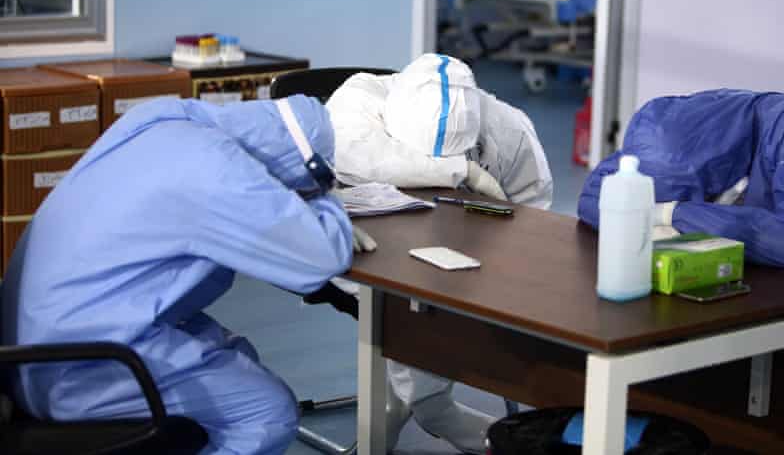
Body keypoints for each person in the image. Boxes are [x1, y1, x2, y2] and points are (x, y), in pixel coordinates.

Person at [0, 96, 355, 455]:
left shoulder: (162, 120)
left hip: (34, 339)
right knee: (267, 412)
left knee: (238, 356)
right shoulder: (217, 169)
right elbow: (319, 259)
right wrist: (329, 199)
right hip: (76, 368)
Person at [578, 89, 784, 390]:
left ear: (717, 169)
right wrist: (649, 207)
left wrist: (672, 213)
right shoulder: (664, 127)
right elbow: (593, 197)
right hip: (773, 294)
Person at [326, 53, 553, 454]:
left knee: (444, 308)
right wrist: (463, 173)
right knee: (407, 309)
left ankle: (418, 408)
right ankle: (425, 408)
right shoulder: (360, 97)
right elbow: (359, 157)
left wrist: (506, 251)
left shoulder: (508, 128)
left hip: (463, 254)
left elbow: (535, 210)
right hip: (361, 242)